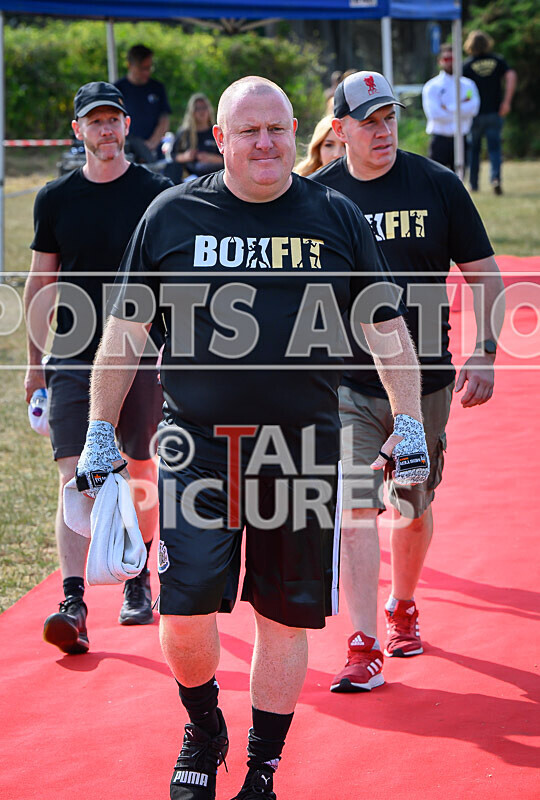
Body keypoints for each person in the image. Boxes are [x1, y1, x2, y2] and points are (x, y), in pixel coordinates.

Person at [74, 76, 429, 800]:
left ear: (296, 129)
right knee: (183, 611)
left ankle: (263, 768)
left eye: (275, 129)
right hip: (195, 447)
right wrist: (99, 430)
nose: (264, 143)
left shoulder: (336, 214)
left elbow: (387, 328)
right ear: (220, 139)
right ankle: (204, 726)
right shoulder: (172, 216)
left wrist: (412, 421)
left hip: (300, 450)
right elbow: (125, 330)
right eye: (247, 131)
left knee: (281, 618)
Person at [310, 70, 504, 693]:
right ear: (339, 129)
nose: (383, 130)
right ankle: (364, 641)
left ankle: (403, 604)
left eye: (390, 117)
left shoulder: (437, 184)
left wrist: (486, 352)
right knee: (355, 506)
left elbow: (485, 273)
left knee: (412, 508)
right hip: (346, 384)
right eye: (368, 121)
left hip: (425, 385)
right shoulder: (316, 197)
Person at [23, 81, 173, 655]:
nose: (105, 131)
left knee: (138, 467)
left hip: (140, 354)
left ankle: (137, 578)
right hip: (74, 355)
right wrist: (35, 367)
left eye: (114, 120)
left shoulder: (157, 194)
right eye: (95, 122)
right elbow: (42, 284)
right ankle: (73, 602)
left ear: (127, 127)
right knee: (74, 477)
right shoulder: (55, 199)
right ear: (77, 131)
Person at [464, 29, 517, 195]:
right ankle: (496, 179)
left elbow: (463, 89)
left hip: (474, 114)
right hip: (495, 112)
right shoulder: (498, 60)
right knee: (494, 149)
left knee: (474, 150)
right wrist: (506, 102)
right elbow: (511, 75)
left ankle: (473, 184)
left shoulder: (466, 65)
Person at [422, 43, 480, 173]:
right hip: (440, 139)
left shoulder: (468, 84)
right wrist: (460, 108)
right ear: (440, 61)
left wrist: (448, 107)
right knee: (435, 179)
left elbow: (473, 109)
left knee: (459, 179)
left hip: (461, 138)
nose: (450, 63)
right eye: (447, 59)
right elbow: (435, 114)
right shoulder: (432, 86)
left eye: (453, 59)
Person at [115, 44, 171, 161]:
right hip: (126, 152)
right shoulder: (118, 89)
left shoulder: (157, 88)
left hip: (153, 152)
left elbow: (164, 118)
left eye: (149, 68)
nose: (146, 72)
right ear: (130, 65)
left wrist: (152, 143)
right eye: (142, 68)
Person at [168, 92, 224, 183]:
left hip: (214, 178)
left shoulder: (216, 132)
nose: (202, 111)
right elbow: (173, 156)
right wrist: (186, 156)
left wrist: (210, 158)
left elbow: (227, 159)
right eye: (198, 109)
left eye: (204, 107)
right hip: (189, 179)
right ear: (192, 112)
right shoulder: (184, 133)